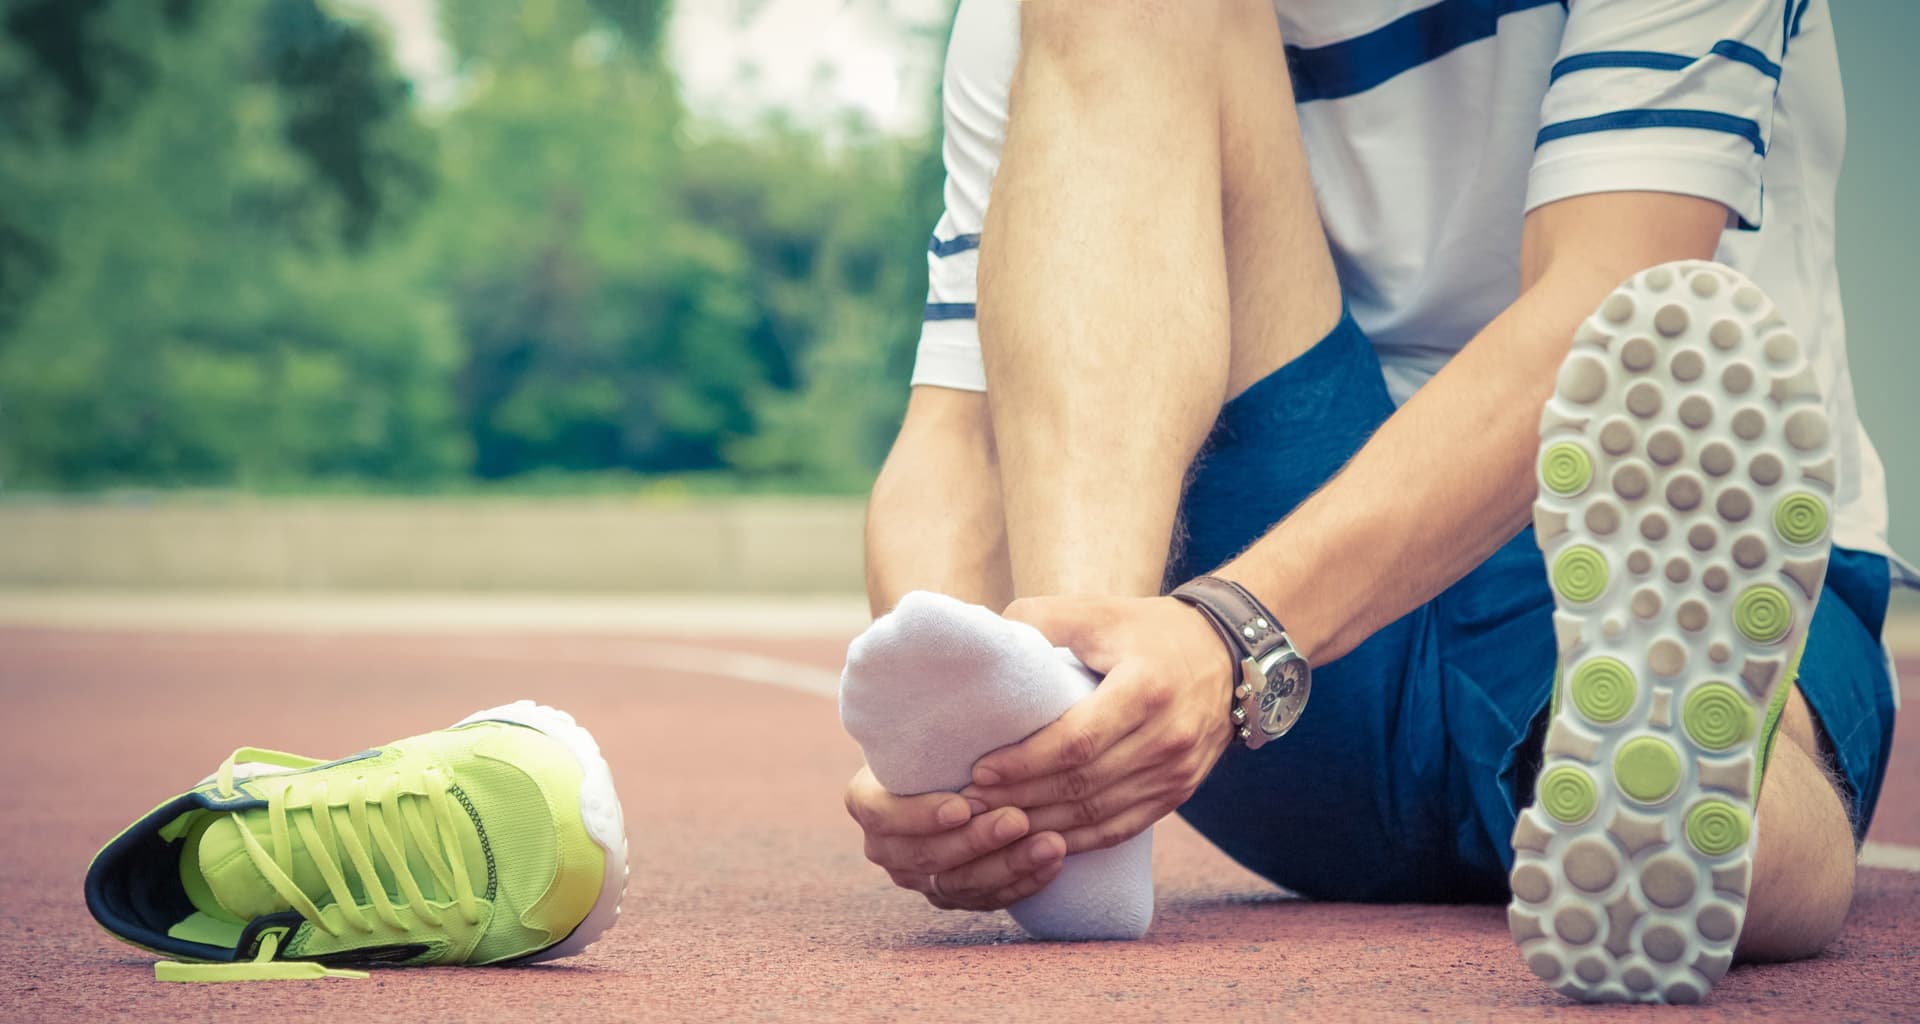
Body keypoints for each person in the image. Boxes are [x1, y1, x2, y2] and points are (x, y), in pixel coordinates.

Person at [838, 0, 1913, 1005]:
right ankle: (1081, 725)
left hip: (1604, 541)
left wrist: (1231, 633)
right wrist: (974, 761)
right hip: (1231, 679)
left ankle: (1682, 798)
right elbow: (957, 434)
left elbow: (1611, 303)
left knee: (1726, 781)